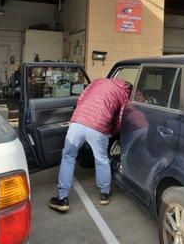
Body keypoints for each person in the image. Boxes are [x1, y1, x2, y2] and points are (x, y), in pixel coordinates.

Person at [49, 78, 132, 212]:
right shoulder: (124, 95)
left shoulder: (98, 81)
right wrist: (112, 132)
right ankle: (104, 195)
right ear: (128, 89)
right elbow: (119, 119)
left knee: (68, 157)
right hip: (99, 127)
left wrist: (81, 114)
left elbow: (81, 98)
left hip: (78, 122)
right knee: (101, 160)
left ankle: (62, 198)